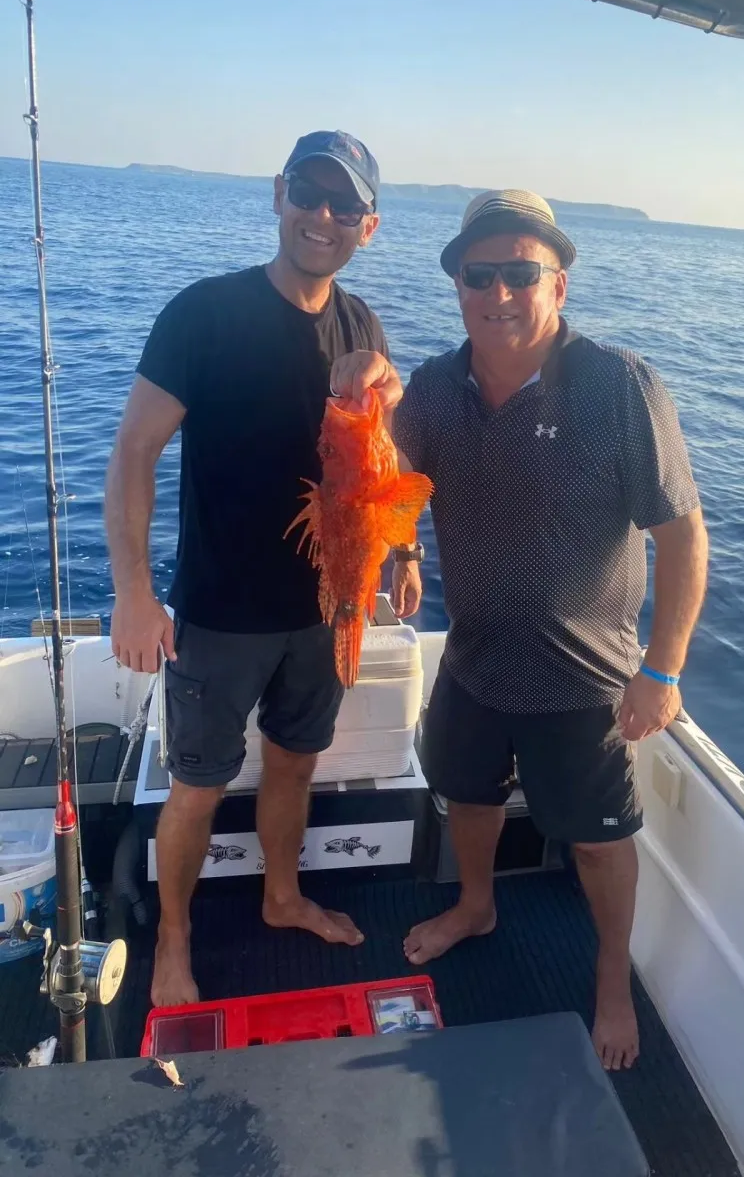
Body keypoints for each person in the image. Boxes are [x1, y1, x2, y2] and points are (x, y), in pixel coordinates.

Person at [330, 189, 709, 1070]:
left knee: (599, 840)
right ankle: (476, 905)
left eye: (520, 273)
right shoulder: (434, 387)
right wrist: (361, 388)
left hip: (585, 676)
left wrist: (662, 670)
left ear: (558, 285)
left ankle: (611, 980)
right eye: (478, 274)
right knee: (467, 797)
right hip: (474, 657)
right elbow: (384, 479)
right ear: (458, 286)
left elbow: (685, 536)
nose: (498, 292)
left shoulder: (619, 386)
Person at [104, 129, 418, 1008]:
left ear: (368, 226)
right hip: (219, 613)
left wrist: (405, 550)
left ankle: (282, 897)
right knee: (197, 787)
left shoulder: (362, 325)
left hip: (325, 611)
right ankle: (174, 939)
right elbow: (133, 452)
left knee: (293, 765)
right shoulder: (203, 313)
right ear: (278, 193)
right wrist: (133, 594)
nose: (323, 215)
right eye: (309, 194)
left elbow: (382, 464)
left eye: (344, 205)